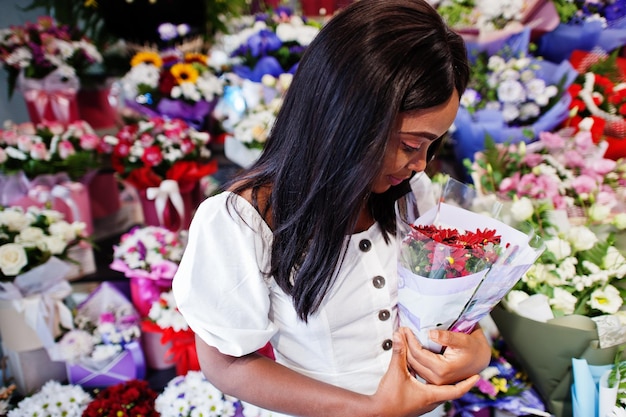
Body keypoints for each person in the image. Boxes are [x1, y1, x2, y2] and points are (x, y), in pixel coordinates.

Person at [172, 0, 492, 416]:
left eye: (434, 144)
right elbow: (227, 364)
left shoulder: (413, 195)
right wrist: (369, 409)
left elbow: (447, 313)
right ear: (345, 120)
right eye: (411, 144)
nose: (420, 163)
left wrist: (476, 350)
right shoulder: (243, 220)